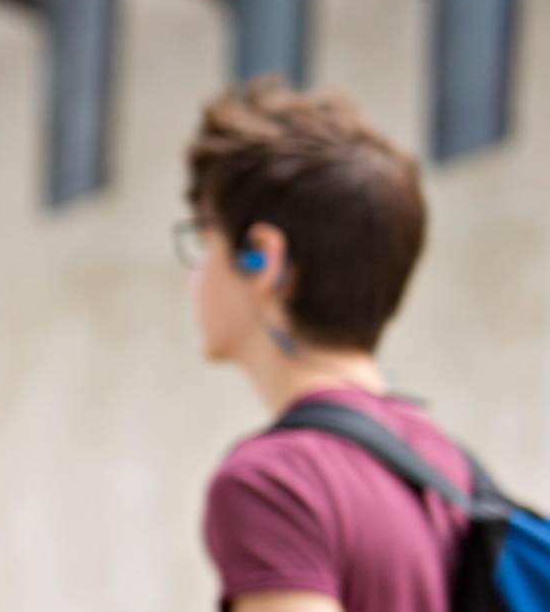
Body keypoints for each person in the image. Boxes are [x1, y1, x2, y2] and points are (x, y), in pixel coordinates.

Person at [176, 78, 469, 612]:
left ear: (261, 258)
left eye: (204, 238)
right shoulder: (444, 464)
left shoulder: (276, 483)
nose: (193, 275)